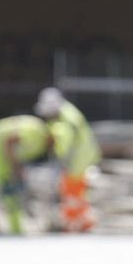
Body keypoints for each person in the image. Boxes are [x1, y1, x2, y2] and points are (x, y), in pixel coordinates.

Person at [0, 115, 55, 236]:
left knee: (11, 185)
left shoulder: (41, 146)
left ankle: (15, 226)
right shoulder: (35, 130)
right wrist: (14, 168)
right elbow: (10, 141)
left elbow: (19, 154)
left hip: (5, 154)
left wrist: (15, 172)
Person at [35, 87, 101, 232]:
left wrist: (63, 161)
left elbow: (67, 144)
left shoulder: (66, 118)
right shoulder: (67, 113)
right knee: (76, 194)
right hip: (79, 161)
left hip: (77, 162)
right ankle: (81, 223)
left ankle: (74, 224)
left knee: (72, 193)